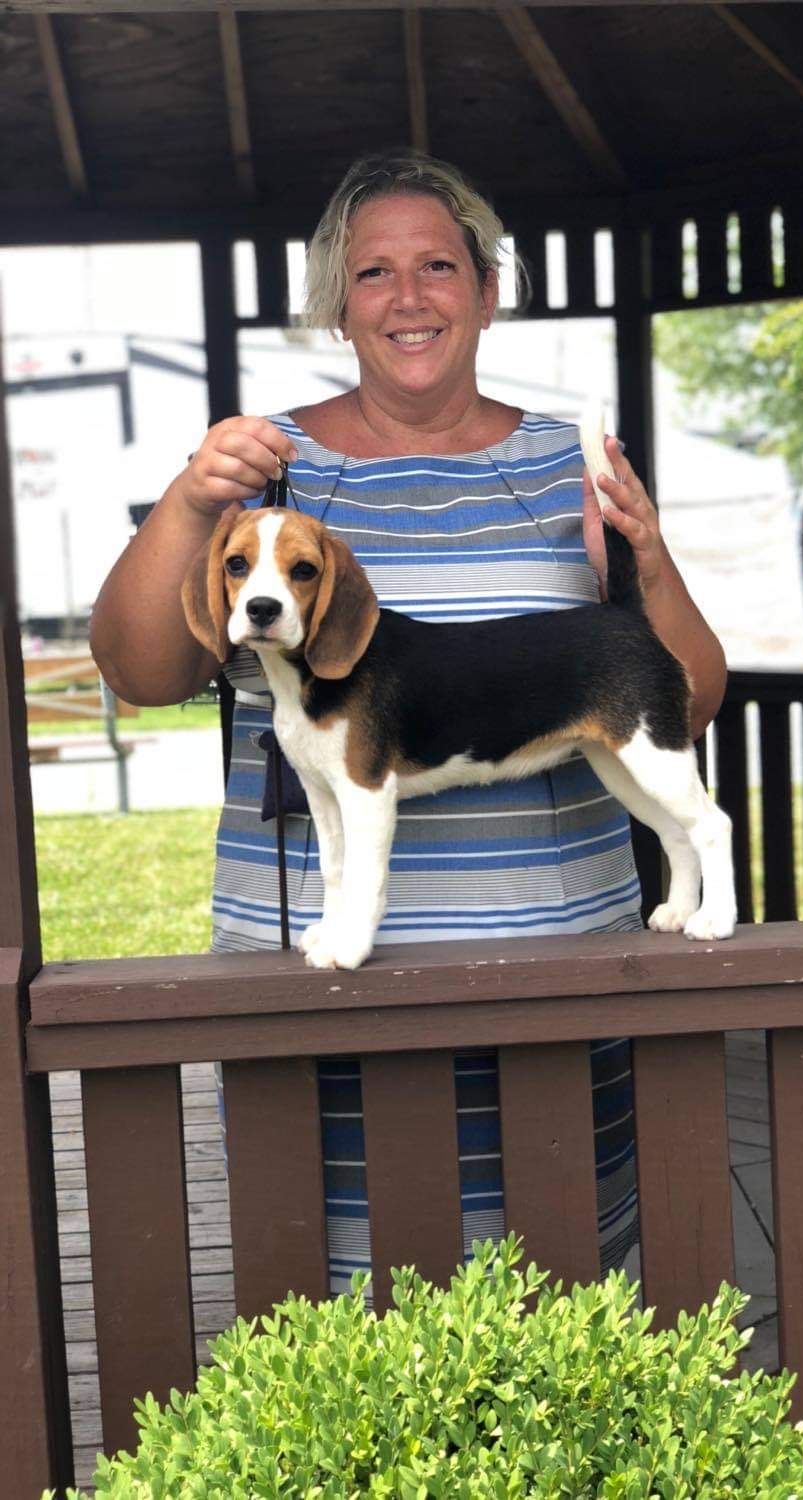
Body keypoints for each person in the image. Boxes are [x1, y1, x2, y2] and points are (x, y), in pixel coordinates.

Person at [91, 150, 727, 1290]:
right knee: (330, 1280)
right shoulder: (263, 467)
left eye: (438, 265)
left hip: (556, 961)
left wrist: (650, 553)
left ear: (488, 289)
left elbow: (692, 691)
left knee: (561, 1276)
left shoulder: (571, 463)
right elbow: (140, 669)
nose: (408, 296)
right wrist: (192, 497)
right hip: (312, 977)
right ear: (336, 304)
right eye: (372, 272)